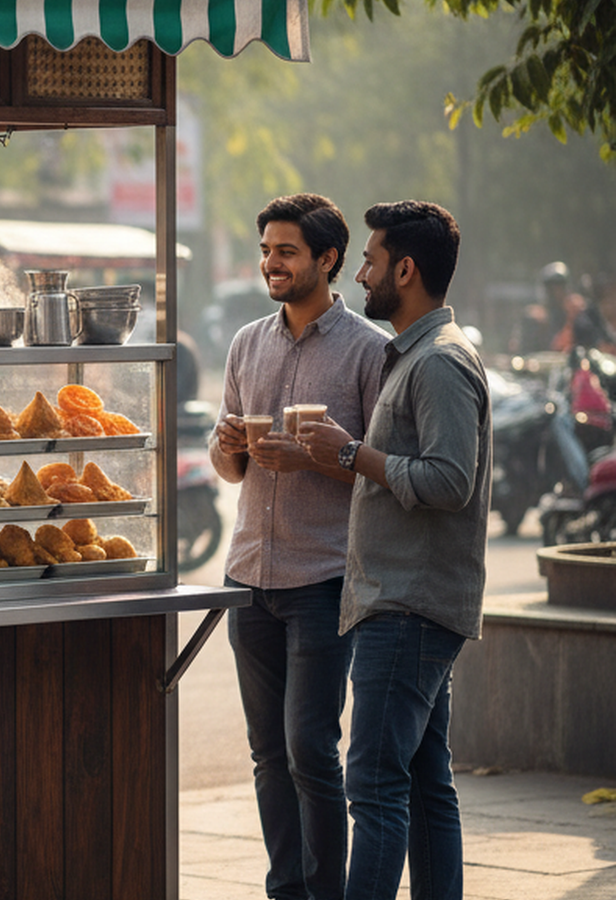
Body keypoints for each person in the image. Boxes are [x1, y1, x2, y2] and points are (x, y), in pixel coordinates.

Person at [299, 201, 489, 900]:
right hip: (412, 603)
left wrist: (352, 453)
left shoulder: (438, 363)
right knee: (424, 783)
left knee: (373, 787)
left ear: (405, 270)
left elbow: (450, 481)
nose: (362, 275)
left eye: (372, 262)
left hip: (408, 607)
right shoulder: (417, 355)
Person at [209, 193, 389, 900]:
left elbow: (378, 469)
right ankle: (285, 890)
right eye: (265, 251)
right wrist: (229, 448)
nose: (270, 264)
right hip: (247, 575)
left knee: (310, 750)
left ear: (327, 259)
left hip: (321, 580)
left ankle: (326, 893)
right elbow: (232, 472)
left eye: (285, 251)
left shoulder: (370, 352)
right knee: (265, 757)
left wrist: (313, 458)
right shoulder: (246, 343)